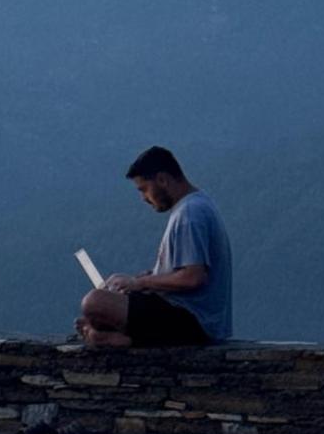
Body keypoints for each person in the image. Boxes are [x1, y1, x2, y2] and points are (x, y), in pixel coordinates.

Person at [76, 145, 232, 348]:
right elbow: (182, 272)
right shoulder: (193, 206)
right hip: (190, 318)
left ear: (162, 180)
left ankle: (123, 338)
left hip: (193, 320)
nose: (143, 198)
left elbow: (193, 277)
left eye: (144, 189)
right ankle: (114, 335)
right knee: (97, 313)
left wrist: (139, 283)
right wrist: (139, 280)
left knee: (94, 302)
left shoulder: (190, 214)